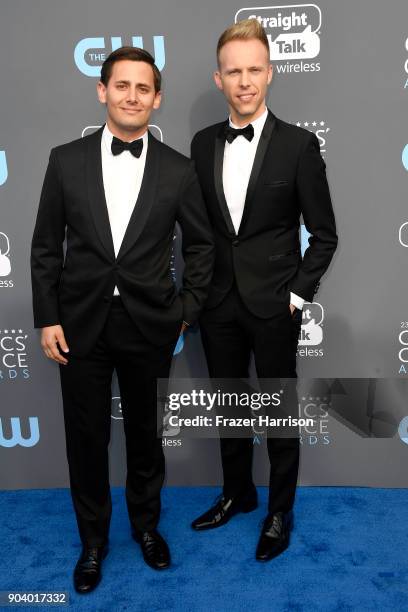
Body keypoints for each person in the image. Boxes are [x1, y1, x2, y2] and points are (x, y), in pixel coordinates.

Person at [31, 46, 214, 592]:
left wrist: (185, 310)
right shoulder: (64, 161)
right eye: (122, 85)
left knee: (144, 436)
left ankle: (146, 528)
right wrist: (48, 317)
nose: (131, 96)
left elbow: (201, 249)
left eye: (143, 88)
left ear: (156, 99)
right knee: (84, 438)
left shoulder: (179, 170)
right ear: (102, 90)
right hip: (80, 324)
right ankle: (92, 542)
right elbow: (45, 248)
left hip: (149, 325)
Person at [190, 19, 337, 561]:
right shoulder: (202, 144)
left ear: (270, 74)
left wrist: (296, 298)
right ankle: (237, 493)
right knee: (229, 405)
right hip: (217, 304)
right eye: (234, 71)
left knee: (277, 410)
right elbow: (200, 232)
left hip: (276, 304)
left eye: (254, 70)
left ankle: (279, 510)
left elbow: (325, 234)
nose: (244, 81)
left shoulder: (300, 145)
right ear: (219, 77)